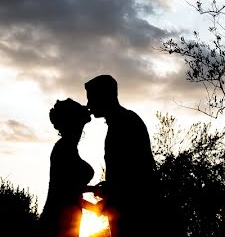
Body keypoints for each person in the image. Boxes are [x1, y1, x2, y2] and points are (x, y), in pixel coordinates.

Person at [84, 75, 155, 237]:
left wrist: (114, 195)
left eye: (92, 99)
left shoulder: (126, 123)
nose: (89, 105)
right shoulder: (123, 122)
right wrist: (107, 187)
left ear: (104, 96)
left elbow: (137, 171)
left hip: (134, 214)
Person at [39, 98, 95, 237]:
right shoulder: (64, 148)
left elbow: (70, 192)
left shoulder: (67, 147)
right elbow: (66, 192)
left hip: (65, 222)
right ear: (73, 121)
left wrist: (92, 195)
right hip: (57, 224)